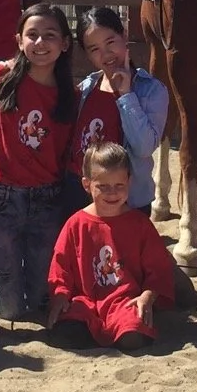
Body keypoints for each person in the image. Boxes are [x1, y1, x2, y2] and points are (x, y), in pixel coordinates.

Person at [0, 4, 75, 321]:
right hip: (3, 198)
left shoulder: (70, 95)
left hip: (47, 199)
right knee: (9, 311)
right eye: (32, 35)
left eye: (49, 36)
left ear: (65, 43)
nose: (40, 43)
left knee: (38, 301)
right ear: (19, 40)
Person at [46, 143, 176, 351]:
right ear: (87, 185)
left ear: (129, 182)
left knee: (132, 334)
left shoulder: (139, 224)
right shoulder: (76, 223)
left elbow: (158, 268)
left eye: (119, 186)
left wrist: (147, 296)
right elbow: (61, 267)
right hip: (86, 301)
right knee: (67, 333)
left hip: (125, 301)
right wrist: (60, 296)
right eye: (103, 186)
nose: (112, 193)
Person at [62, 6, 170, 216]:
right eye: (94, 49)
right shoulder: (86, 89)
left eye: (110, 42)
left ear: (125, 35)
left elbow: (144, 147)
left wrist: (127, 95)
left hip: (126, 200)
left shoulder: (151, 91)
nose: (106, 54)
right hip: (80, 195)